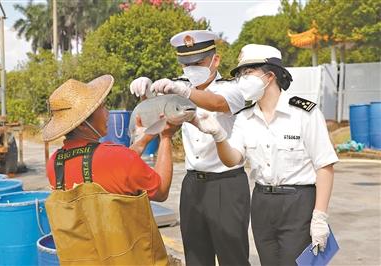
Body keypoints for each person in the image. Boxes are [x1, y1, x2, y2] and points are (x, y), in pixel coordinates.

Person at [194, 44, 339, 266]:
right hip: (262, 203)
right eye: (239, 74)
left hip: (298, 203)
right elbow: (232, 159)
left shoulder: (303, 113)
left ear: (269, 75)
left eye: (247, 72)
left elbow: (325, 166)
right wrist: (219, 136)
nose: (241, 79)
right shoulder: (245, 118)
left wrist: (319, 216)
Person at [130, 30, 251, 266]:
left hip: (226, 183)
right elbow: (158, 116)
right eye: (186, 64)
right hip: (193, 183)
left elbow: (217, 103)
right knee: (196, 257)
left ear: (215, 61)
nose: (191, 68)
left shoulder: (231, 88)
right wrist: (145, 94)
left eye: (198, 62)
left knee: (232, 257)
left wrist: (183, 92)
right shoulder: (179, 85)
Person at [42, 75, 178, 265]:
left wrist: (145, 138)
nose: (107, 114)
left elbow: (108, 168)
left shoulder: (54, 164)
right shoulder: (119, 158)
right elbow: (161, 190)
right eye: (102, 108)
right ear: (82, 123)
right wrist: (165, 137)